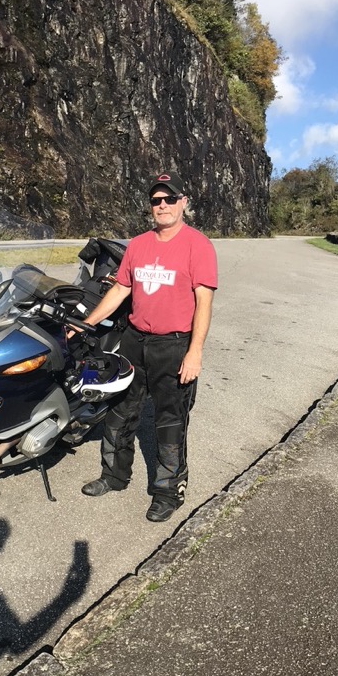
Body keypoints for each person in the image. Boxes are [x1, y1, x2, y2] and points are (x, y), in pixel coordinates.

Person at [79, 171, 218, 522]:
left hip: (174, 344)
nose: (163, 206)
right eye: (156, 200)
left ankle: (168, 491)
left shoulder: (197, 245)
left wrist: (195, 352)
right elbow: (120, 290)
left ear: (183, 202)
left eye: (170, 199)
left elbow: (204, 302)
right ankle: (114, 475)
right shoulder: (138, 245)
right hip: (134, 339)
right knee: (120, 409)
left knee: (169, 421)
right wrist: (86, 323)